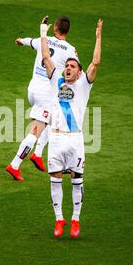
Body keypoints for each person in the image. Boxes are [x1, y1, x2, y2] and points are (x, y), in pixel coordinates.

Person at [40, 17, 103, 238]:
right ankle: (59, 220)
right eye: (66, 65)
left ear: (79, 71)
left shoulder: (85, 84)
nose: (67, 68)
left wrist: (98, 37)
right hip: (56, 138)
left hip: (75, 139)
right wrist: (42, 31)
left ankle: (75, 220)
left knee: (77, 178)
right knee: (55, 178)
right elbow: (46, 56)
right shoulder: (55, 79)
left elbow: (95, 63)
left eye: (72, 66)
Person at [6, 16, 79, 181]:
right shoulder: (69, 49)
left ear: (55, 29)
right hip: (46, 94)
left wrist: (19, 40)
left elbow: (28, 41)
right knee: (35, 131)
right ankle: (15, 165)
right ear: (68, 31)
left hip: (32, 90)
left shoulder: (43, 41)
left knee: (55, 119)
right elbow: (76, 68)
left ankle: (38, 155)